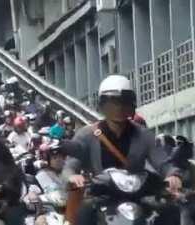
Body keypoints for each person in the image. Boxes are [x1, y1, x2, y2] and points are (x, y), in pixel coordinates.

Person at [64, 75, 182, 225]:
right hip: (101, 196)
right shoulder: (86, 135)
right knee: (84, 211)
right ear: (102, 105)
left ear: (131, 104)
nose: (118, 108)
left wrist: (173, 175)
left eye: (123, 102)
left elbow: (162, 161)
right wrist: (73, 176)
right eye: (112, 103)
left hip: (139, 196)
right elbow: (70, 165)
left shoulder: (144, 135)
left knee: (170, 210)